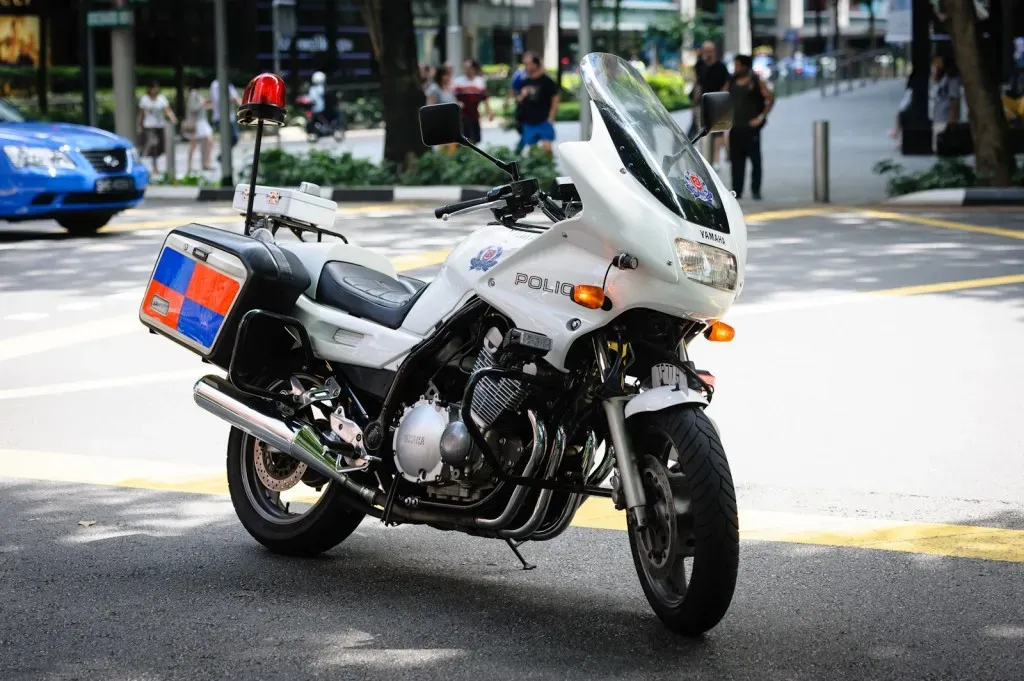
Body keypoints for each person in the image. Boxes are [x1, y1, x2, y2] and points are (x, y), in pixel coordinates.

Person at [724, 54, 774, 201]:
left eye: (738, 65)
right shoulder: (731, 81)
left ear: (746, 66)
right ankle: (737, 191)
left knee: (755, 161)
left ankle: (756, 190)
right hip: (735, 127)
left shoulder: (757, 82)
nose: (736, 68)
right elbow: (722, 96)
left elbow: (770, 98)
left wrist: (761, 117)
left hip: (751, 129)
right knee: (736, 162)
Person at [691, 41, 730, 169]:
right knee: (703, 131)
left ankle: (716, 160)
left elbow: (726, 84)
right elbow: (698, 84)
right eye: (705, 51)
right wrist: (694, 104)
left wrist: (722, 102)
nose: (708, 54)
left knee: (717, 133)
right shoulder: (700, 65)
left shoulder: (721, 67)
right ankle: (705, 159)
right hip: (703, 103)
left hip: (717, 103)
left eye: (710, 51)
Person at [515, 52, 559, 153]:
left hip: (544, 120)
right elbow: (518, 100)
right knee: (532, 151)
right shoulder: (524, 81)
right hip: (529, 121)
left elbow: (555, 99)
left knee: (547, 149)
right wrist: (522, 95)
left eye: (528, 64)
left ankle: (549, 167)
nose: (526, 67)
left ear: (535, 65)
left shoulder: (547, 81)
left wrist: (551, 116)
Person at [136, 81, 177, 175]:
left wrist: (172, 118)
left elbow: (167, 110)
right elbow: (141, 113)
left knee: (158, 147)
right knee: (154, 143)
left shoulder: (161, 98)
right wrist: (138, 125)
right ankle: (153, 166)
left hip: (159, 125)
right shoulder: (145, 99)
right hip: (149, 126)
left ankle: (154, 164)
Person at [453, 59, 493, 144]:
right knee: (466, 138)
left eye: (469, 68)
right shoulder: (458, 82)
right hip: (462, 115)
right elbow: (452, 97)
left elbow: (485, 97)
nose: (467, 70)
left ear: (474, 69)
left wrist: (489, 111)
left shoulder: (480, 81)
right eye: (465, 68)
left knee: (476, 138)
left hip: (475, 115)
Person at [184, 79, 213, 174]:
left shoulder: (196, 93)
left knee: (207, 141)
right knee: (194, 144)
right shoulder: (193, 94)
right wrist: (203, 102)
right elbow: (194, 107)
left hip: (201, 121)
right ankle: (191, 166)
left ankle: (205, 163)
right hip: (197, 122)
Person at [931, 55, 961, 138]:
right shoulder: (942, 79)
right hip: (938, 117)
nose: (936, 65)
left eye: (938, 62)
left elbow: (954, 98)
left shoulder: (952, 79)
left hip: (945, 119)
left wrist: (952, 117)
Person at [210, 78, 241, 149]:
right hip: (219, 117)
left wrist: (244, 108)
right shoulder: (215, 85)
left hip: (230, 117)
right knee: (226, 138)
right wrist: (231, 99)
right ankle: (224, 155)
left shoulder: (229, 84)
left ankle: (224, 155)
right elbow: (218, 100)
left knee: (235, 138)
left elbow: (236, 97)